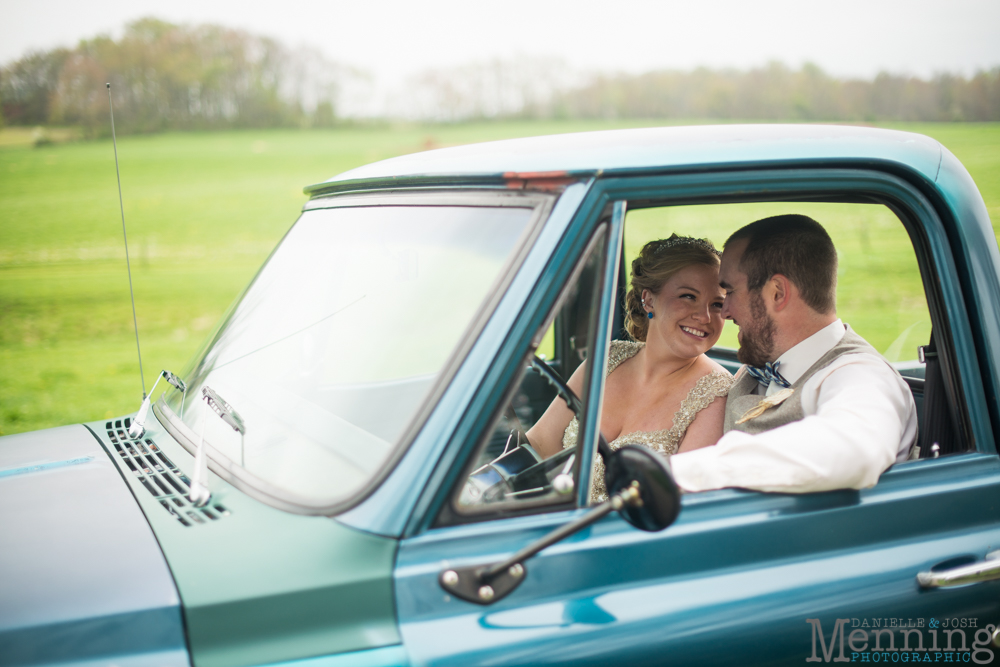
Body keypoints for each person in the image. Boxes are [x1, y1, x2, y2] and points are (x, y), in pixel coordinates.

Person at [670, 214, 918, 494]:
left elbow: (853, 447)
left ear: (777, 292)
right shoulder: (753, 370)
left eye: (730, 291)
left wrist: (680, 472)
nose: (724, 312)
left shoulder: (861, 375)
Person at [527, 235, 733, 502]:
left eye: (717, 304)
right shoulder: (606, 358)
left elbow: (680, 502)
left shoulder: (717, 392)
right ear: (649, 300)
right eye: (688, 297)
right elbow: (541, 443)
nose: (704, 316)